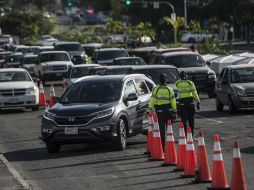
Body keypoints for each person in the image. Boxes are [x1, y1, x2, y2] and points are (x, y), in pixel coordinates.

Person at [147, 74, 177, 151]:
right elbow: (173, 101)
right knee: (169, 130)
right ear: (166, 80)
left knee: (161, 130)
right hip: (169, 111)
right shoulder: (169, 89)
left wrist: (148, 111)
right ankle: (170, 148)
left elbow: (152, 101)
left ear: (159, 80)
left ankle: (163, 148)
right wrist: (174, 111)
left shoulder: (156, 89)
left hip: (160, 111)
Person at [175, 71, 200, 137]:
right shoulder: (190, 83)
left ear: (180, 76)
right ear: (186, 75)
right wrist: (198, 101)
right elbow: (194, 93)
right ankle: (191, 134)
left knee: (184, 119)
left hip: (182, 102)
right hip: (190, 101)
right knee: (191, 119)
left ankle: (185, 135)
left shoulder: (177, 83)